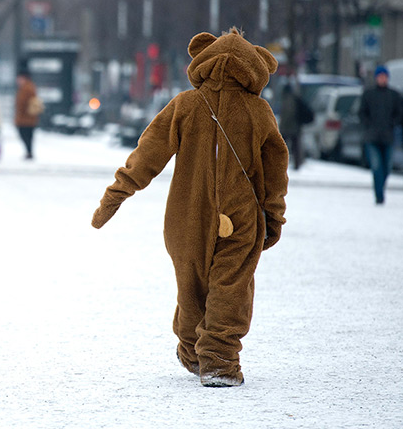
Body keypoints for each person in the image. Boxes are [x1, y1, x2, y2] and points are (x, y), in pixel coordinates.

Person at [91, 28, 289, 387]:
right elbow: (276, 169)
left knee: (191, 284)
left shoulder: (185, 105)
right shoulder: (258, 111)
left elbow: (147, 154)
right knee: (231, 288)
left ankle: (195, 348)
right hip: (241, 215)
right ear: (254, 67)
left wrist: (116, 194)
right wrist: (273, 215)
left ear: (204, 61)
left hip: (186, 217)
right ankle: (216, 359)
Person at [360, 65, 403, 205]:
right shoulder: (369, 94)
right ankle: (379, 195)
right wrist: (368, 124)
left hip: (388, 137)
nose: (382, 79)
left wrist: (393, 123)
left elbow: (399, 114)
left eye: (384, 76)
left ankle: (380, 189)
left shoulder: (394, 95)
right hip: (372, 137)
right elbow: (361, 112)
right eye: (380, 76)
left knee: (387, 167)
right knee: (377, 166)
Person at [277, 81, 309, 170]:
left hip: (289, 127)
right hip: (294, 127)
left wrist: (283, 126)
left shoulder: (287, 99)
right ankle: (296, 163)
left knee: (284, 147)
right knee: (295, 147)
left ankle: (284, 164)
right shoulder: (294, 97)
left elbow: (287, 114)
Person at [14, 62, 39, 160]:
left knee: (26, 135)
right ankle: (29, 152)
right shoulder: (27, 87)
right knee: (27, 135)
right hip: (27, 117)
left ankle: (29, 152)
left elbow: (24, 102)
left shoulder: (27, 88)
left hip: (26, 117)